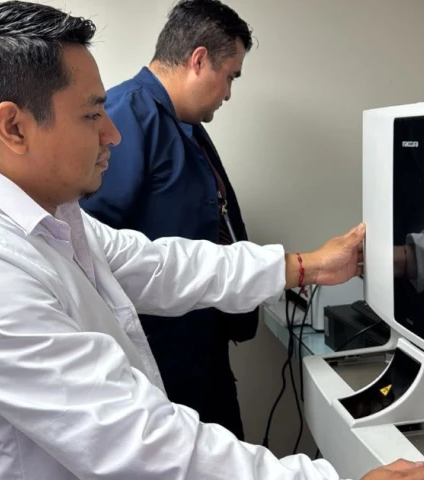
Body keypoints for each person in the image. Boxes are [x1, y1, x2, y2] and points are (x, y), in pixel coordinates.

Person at [0, 2, 424, 479]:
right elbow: (130, 441)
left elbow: (160, 264)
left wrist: (304, 266)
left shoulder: (50, 218)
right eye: (92, 115)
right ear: (14, 127)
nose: (112, 134)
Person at [79, 0, 256, 440]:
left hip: (200, 340)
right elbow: (90, 245)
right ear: (199, 60)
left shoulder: (184, 122)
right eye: (230, 76)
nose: (228, 93)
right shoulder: (127, 116)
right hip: (160, 354)